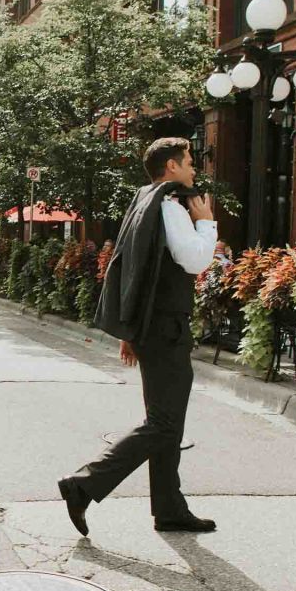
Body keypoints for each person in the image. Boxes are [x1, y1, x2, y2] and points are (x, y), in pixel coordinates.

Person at [58, 137, 218, 536]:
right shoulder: (171, 208)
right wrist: (206, 221)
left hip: (151, 328)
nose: (194, 169)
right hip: (166, 328)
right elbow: (195, 259)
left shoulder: (142, 201)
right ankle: (84, 484)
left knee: (167, 422)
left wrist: (130, 329)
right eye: (189, 162)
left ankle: (169, 508)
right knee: (164, 423)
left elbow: (131, 267)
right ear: (171, 167)